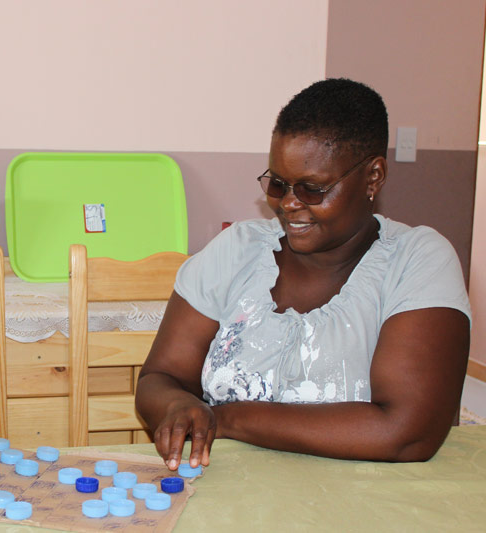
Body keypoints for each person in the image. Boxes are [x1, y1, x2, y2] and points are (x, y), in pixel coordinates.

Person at [135, 78, 471, 468]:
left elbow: (404, 433)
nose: (289, 204)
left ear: (373, 177)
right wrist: (179, 405)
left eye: (313, 189)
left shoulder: (417, 261)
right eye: (278, 184)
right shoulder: (237, 250)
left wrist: (225, 417)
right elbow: (159, 377)